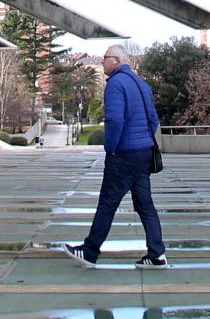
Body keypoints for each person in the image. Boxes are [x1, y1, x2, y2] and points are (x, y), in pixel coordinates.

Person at [64, 44, 167, 267]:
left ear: (117, 61)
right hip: (144, 153)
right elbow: (153, 119)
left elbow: (115, 120)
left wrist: (110, 147)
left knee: (107, 202)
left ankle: (90, 252)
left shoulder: (115, 85)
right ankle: (157, 254)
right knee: (145, 204)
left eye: (105, 58)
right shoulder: (141, 84)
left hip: (124, 154)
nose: (102, 62)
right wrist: (146, 141)